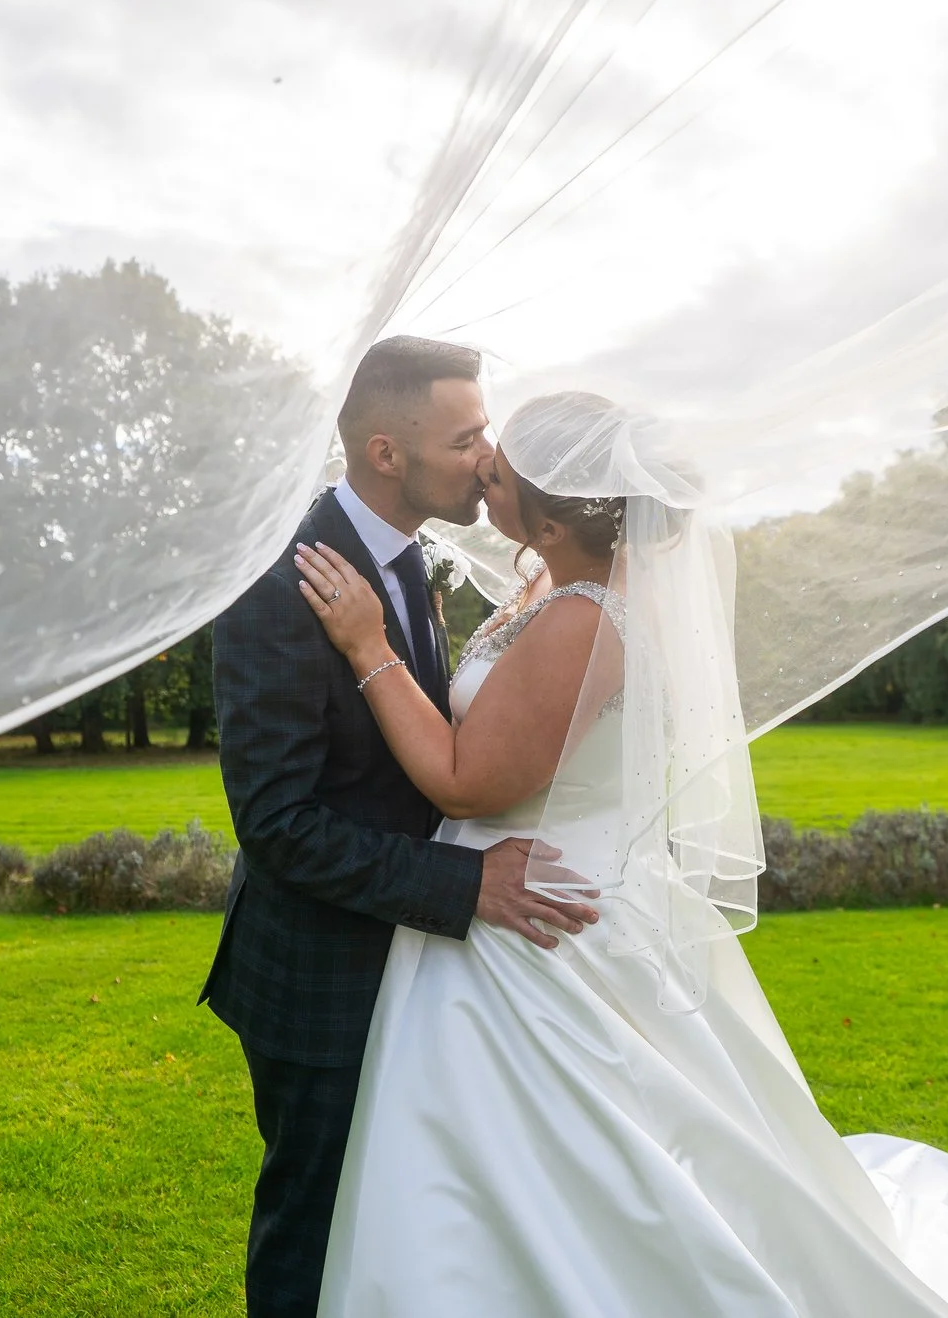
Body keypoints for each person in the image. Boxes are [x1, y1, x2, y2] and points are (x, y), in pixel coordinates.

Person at [286, 387, 948, 1316]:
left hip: (542, 916)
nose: (485, 467)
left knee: (575, 1162)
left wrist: (368, 644)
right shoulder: (551, 584)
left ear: (559, 514)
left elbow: (464, 781)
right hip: (519, 899)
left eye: (501, 467)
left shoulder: (582, 617)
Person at [202, 336, 599, 1318]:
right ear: (388, 452)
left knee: (405, 1228)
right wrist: (465, 882)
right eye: (467, 435)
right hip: (321, 976)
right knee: (315, 1225)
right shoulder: (279, 583)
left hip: (422, 970)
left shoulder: (404, 559)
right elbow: (279, 824)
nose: (487, 456)